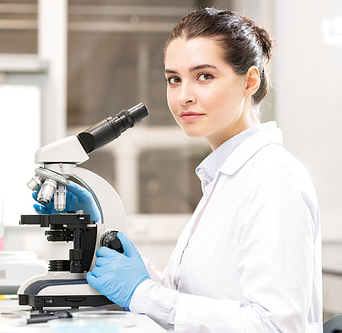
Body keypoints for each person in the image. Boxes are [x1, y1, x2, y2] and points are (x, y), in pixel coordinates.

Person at [32, 7, 322, 332]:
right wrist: (97, 230)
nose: (183, 96)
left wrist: (140, 292)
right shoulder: (223, 179)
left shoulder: (273, 178)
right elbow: (181, 297)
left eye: (204, 76)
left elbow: (276, 326)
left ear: (249, 81)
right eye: (174, 79)